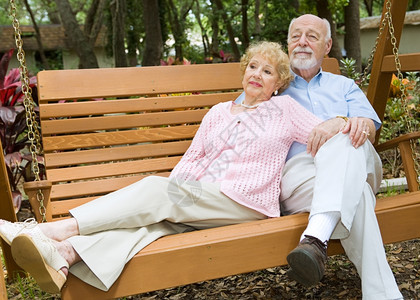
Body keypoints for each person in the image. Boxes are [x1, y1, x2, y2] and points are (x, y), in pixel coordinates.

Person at [0, 41, 324, 294]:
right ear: (243, 72)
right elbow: (193, 159)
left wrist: (345, 122)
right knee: (149, 226)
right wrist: (171, 198)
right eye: (252, 66)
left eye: (267, 71)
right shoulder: (218, 112)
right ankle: (64, 257)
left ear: (279, 82)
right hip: (201, 201)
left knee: (159, 190)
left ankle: (47, 231)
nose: (257, 74)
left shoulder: (283, 109)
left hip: (247, 204)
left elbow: (324, 130)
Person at [276, 14, 403, 300]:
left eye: (312, 36)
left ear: (328, 45)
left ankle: (315, 238)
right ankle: (385, 295)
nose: (302, 42)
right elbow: (237, 119)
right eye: (296, 35)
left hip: (357, 161)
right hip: (301, 176)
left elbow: (368, 128)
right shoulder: (273, 85)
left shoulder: (344, 86)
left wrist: (339, 122)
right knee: (359, 196)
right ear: (287, 43)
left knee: (347, 135)